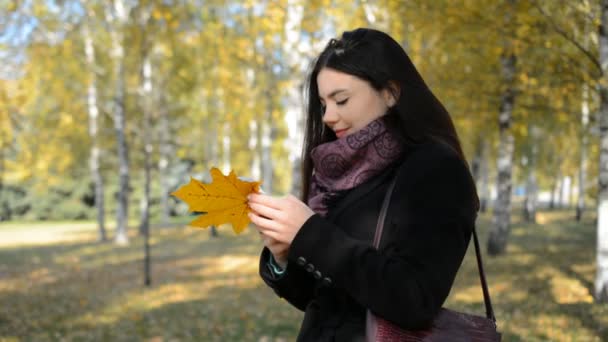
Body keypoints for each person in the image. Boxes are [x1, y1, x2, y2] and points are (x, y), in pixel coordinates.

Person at [247, 28, 479, 342]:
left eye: (341, 99)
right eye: (323, 103)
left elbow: (415, 300)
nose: (328, 116)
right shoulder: (336, 174)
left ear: (391, 93)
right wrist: (283, 256)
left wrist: (312, 233)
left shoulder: (437, 169)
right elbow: (323, 300)